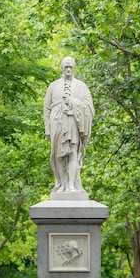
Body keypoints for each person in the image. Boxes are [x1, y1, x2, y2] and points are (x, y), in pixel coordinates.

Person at [44, 56, 94, 194]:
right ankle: (62, 185)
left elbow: (89, 106)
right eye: (66, 67)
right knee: (59, 155)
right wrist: (47, 129)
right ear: (62, 68)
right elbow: (46, 108)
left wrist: (73, 102)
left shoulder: (81, 86)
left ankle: (71, 185)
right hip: (57, 123)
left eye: (70, 67)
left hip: (73, 122)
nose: (68, 69)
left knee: (72, 152)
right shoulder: (53, 86)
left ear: (74, 68)